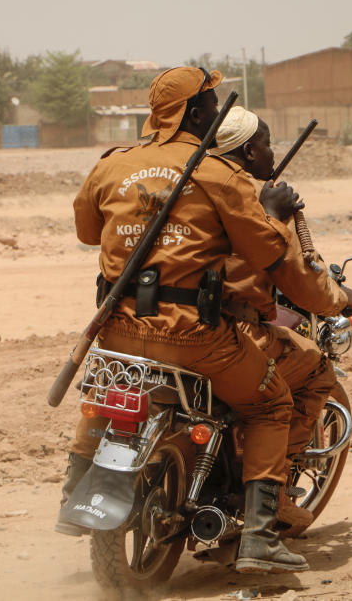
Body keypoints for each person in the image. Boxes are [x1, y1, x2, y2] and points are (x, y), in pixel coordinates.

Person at [59, 66, 314, 574]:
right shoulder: (217, 173)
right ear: (198, 114)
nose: (217, 113)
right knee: (269, 405)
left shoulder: (111, 165)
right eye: (213, 105)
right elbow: (266, 248)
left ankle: (75, 483)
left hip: (118, 330)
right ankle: (260, 537)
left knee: (104, 396)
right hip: (194, 335)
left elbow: (89, 231)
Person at [210, 107, 352, 534]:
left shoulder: (188, 188)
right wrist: (341, 299)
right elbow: (301, 280)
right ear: (249, 150)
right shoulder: (247, 204)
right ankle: (266, 498)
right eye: (267, 143)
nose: (273, 151)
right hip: (219, 331)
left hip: (144, 322)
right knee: (311, 371)